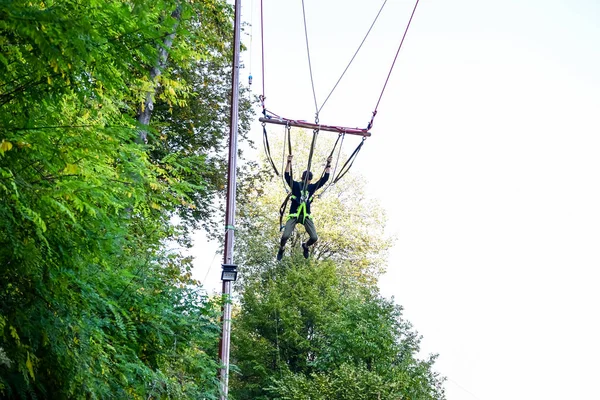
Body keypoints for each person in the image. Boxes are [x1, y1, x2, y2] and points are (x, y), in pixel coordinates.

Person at [276, 154, 332, 260]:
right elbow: (287, 176)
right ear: (304, 179)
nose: (307, 182)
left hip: (306, 215)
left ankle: (305, 246)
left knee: (314, 237)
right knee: (285, 236)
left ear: (309, 180)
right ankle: (282, 248)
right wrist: (288, 162)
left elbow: (325, 179)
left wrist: (328, 165)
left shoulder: (312, 188)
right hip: (294, 215)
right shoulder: (296, 186)